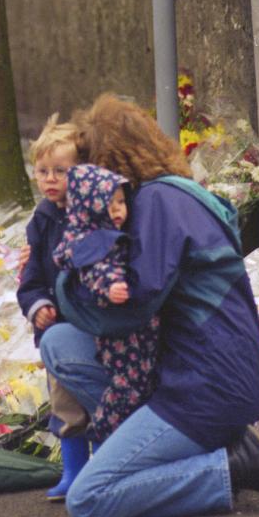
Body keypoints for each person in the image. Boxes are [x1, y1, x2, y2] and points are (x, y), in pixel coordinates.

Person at [40, 93, 259, 517]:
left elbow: (131, 310)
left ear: (110, 163)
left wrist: (64, 284)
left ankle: (229, 465)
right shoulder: (177, 194)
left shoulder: (156, 204)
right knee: (60, 343)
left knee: (90, 501)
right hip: (202, 369)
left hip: (207, 386)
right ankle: (150, 450)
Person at [52, 164, 160, 445]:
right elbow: (98, 270)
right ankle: (107, 433)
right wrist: (111, 288)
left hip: (135, 334)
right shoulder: (97, 241)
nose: (118, 211)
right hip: (123, 338)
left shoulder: (96, 235)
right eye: (109, 205)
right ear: (91, 207)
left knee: (137, 382)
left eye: (122, 202)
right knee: (128, 387)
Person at [16, 115, 90, 497]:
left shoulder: (91, 214)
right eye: (42, 171)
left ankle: (105, 465)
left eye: (60, 171)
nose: (49, 179)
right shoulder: (42, 220)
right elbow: (29, 281)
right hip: (55, 333)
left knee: (99, 399)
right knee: (65, 404)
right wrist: (38, 305)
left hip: (92, 326)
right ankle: (74, 470)